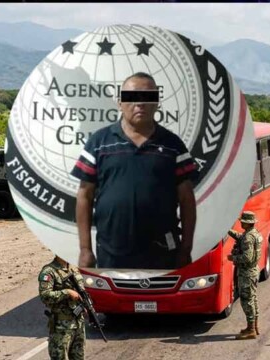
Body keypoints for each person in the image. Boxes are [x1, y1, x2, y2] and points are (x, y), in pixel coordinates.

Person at [71, 72, 198, 270]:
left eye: (147, 97)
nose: (140, 103)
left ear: (156, 103)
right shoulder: (99, 143)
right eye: (132, 97)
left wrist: (185, 249)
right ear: (120, 103)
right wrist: (85, 249)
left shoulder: (173, 146)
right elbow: (84, 196)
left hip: (163, 253)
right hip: (111, 253)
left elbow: (187, 200)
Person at [38, 255, 101, 360]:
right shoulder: (49, 271)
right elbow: (45, 296)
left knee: (78, 359)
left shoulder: (73, 269)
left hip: (78, 323)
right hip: (61, 325)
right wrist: (66, 292)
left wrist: (86, 306)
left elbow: (82, 291)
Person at [228, 211, 263, 339]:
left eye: (243, 221)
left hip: (247, 273)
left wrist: (233, 258)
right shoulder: (253, 234)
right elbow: (240, 237)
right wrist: (229, 231)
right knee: (253, 299)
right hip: (253, 271)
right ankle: (254, 327)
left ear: (247, 224)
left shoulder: (248, 238)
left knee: (246, 300)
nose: (241, 223)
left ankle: (251, 329)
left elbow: (247, 258)